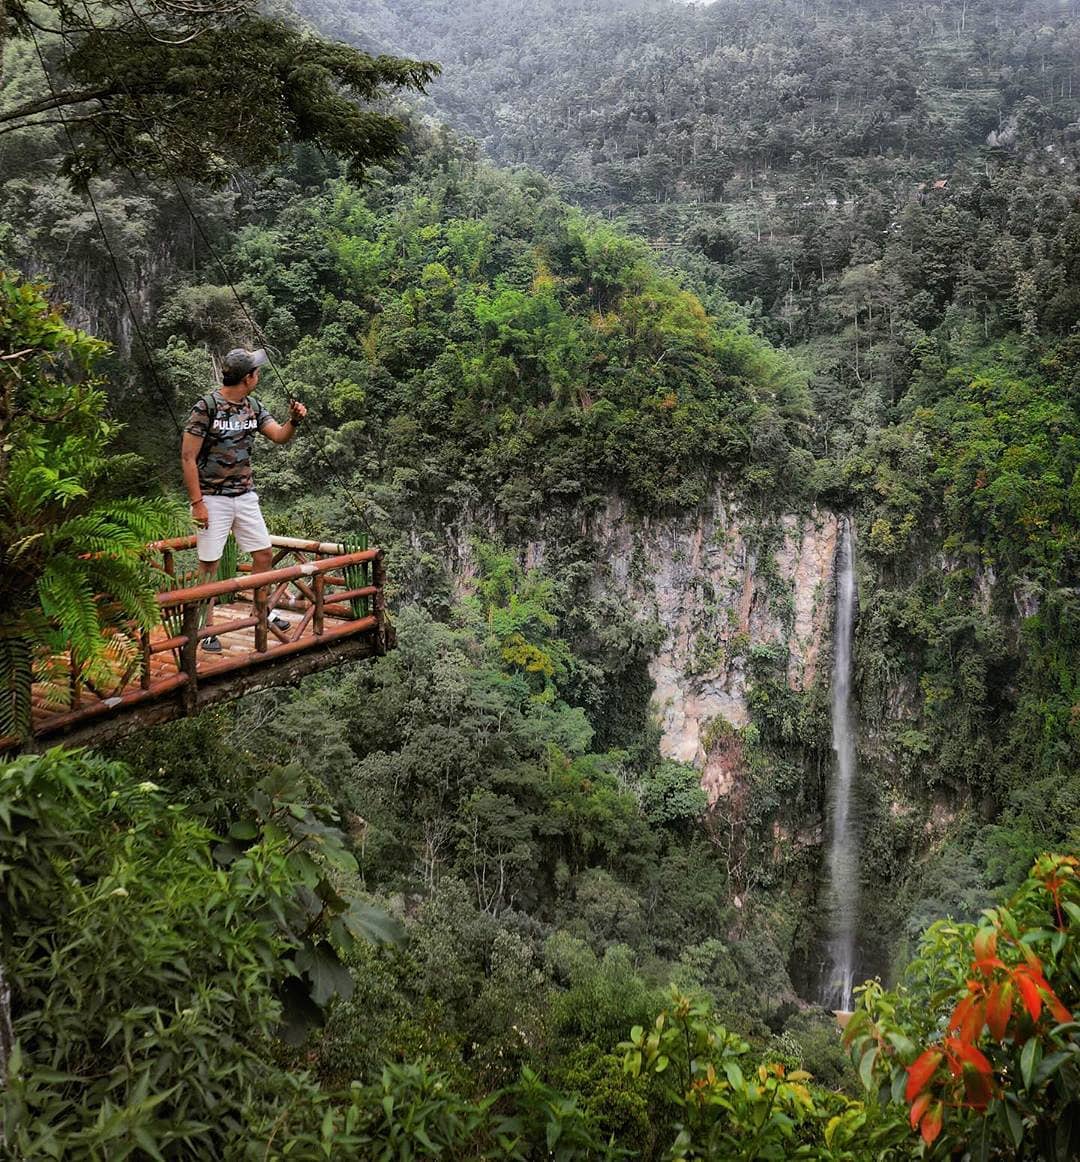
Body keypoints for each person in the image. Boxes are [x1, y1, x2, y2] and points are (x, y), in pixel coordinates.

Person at [181, 347, 308, 652]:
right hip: (212, 498)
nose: (259, 375)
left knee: (263, 554)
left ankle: (261, 609)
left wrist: (293, 420)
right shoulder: (206, 407)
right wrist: (197, 503)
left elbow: (278, 436)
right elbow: (187, 457)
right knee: (209, 564)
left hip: (245, 495)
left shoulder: (252, 405)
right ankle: (205, 628)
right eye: (256, 371)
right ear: (247, 377)